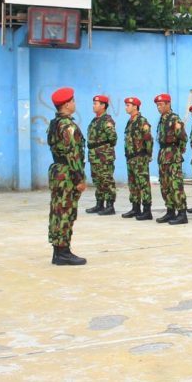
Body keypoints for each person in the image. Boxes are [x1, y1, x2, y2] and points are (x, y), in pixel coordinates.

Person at [46, 87, 87, 265]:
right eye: (73, 101)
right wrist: (79, 178)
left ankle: (58, 250)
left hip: (57, 170)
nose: (74, 104)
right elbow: (73, 154)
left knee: (57, 210)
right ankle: (63, 252)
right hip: (67, 172)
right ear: (67, 104)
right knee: (66, 210)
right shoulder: (68, 126)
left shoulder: (54, 124)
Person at [153, 94, 188, 225]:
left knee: (175, 185)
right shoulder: (162, 119)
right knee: (165, 185)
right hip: (163, 155)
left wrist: (179, 151)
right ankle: (170, 210)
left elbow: (183, 138)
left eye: (161, 104)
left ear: (168, 104)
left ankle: (182, 213)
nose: (159, 107)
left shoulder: (174, 119)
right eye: (157, 105)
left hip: (172, 156)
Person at [121, 97, 154, 221]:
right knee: (133, 184)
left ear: (135, 106)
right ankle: (135, 208)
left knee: (143, 184)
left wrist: (148, 155)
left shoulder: (142, 121)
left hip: (140, 157)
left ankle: (147, 210)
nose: (126, 107)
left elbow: (148, 139)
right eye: (125, 105)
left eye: (128, 105)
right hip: (130, 157)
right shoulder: (130, 122)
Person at [85, 95, 118, 216]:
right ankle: (99, 204)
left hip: (104, 155)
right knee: (97, 179)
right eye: (93, 103)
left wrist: (103, 148)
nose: (94, 105)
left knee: (106, 179)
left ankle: (110, 206)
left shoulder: (107, 121)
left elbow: (113, 138)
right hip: (94, 155)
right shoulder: (95, 121)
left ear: (103, 106)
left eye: (96, 103)